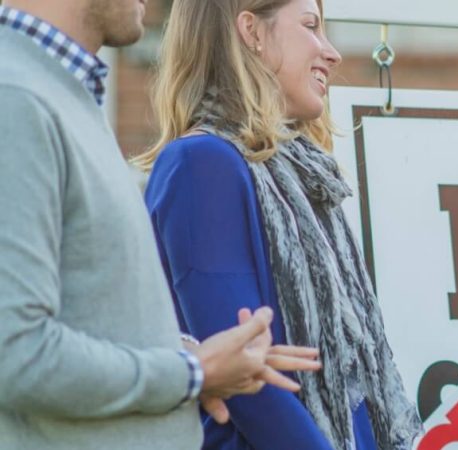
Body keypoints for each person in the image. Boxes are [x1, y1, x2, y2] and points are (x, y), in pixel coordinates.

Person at [0, 0, 321, 449]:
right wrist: (194, 373)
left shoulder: (59, 94)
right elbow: (15, 353)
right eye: (311, 26)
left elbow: (87, 320)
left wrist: (191, 355)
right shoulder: (16, 97)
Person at [133, 0, 423, 448]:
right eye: (311, 26)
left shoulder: (303, 177)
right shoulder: (201, 164)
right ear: (251, 32)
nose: (332, 53)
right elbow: (249, 381)